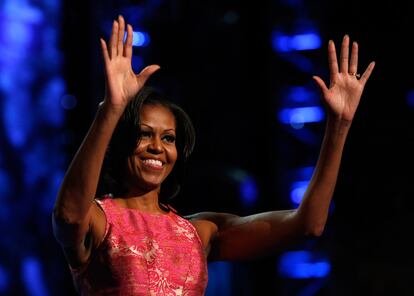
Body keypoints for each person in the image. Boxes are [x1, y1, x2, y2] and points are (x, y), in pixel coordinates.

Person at [52, 15, 375, 295]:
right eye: (143, 134)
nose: (157, 148)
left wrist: (339, 125)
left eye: (168, 138)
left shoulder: (200, 232)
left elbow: (307, 225)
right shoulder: (98, 219)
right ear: (119, 144)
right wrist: (112, 110)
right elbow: (68, 215)